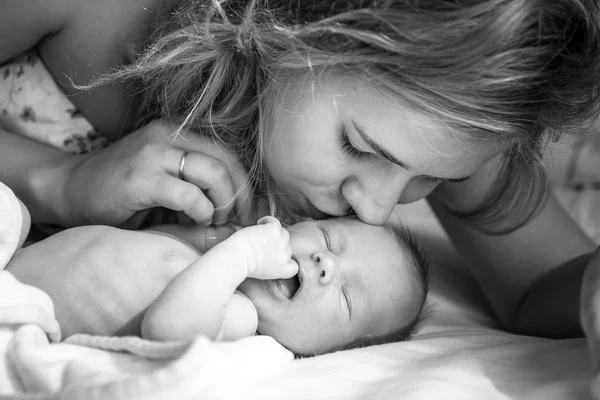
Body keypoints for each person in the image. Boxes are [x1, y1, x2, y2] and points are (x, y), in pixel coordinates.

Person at [2, 0, 600, 341]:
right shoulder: (92, 11)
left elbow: (547, 281)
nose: (377, 210)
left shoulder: (449, 125)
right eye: (359, 147)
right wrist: (60, 182)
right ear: (291, 28)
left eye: (431, 183)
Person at [4, 184, 429, 355]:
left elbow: (168, 328)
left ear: (323, 350)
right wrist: (229, 238)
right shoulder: (219, 255)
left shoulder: (239, 319)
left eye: (346, 295)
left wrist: (242, 253)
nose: (327, 264)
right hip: (20, 250)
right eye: (326, 239)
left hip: (21, 310)